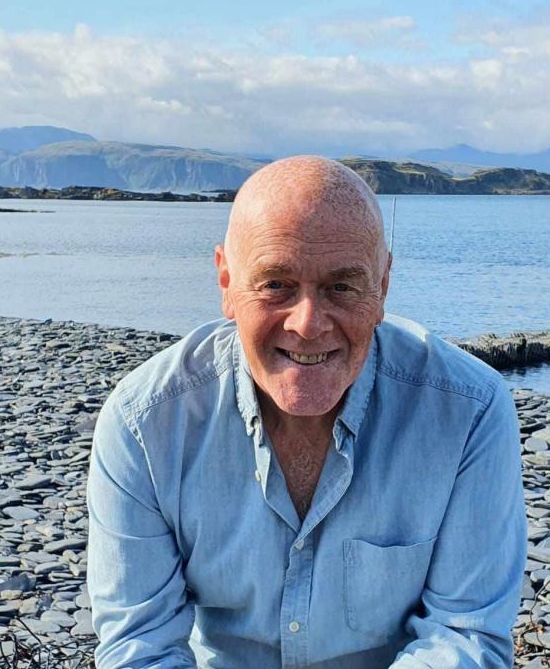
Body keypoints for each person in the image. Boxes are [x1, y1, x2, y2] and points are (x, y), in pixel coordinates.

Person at [86, 156, 527, 668]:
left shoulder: (468, 412)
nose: (309, 324)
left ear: (382, 286)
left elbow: (465, 636)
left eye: (342, 287)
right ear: (226, 281)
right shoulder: (147, 424)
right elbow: (139, 646)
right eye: (276, 285)